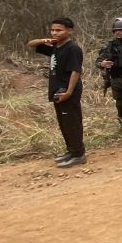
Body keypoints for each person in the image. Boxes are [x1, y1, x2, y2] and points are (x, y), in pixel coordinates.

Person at [27, 17, 86, 168]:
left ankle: (79, 154)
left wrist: (69, 91)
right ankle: (71, 151)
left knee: (72, 122)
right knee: (64, 123)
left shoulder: (72, 49)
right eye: (53, 30)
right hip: (57, 90)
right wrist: (43, 40)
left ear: (70, 31)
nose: (55, 33)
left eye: (59, 30)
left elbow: (75, 71)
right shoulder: (55, 46)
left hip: (67, 91)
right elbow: (30, 44)